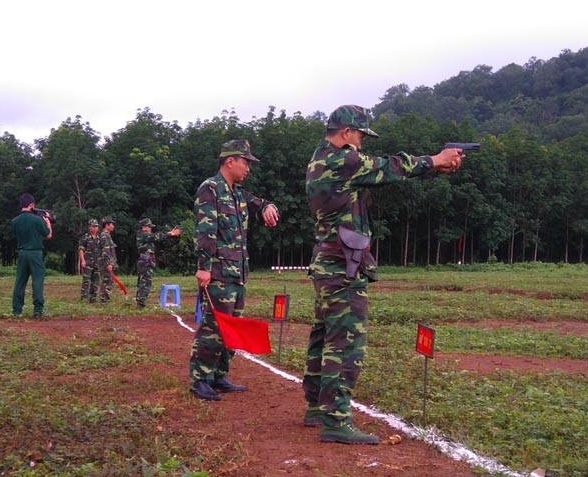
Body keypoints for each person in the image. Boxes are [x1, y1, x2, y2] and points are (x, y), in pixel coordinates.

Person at [303, 105, 464, 444]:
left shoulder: (321, 159)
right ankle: (335, 420)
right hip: (342, 265)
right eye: (360, 136)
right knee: (345, 343)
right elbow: (389, 168)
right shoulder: (341, 160)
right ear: (346, 133)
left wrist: (435, 167)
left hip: (329, 263)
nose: (361, 144)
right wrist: (435, 159)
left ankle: (318, 408)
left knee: (324, 335)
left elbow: (377, 177)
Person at [188, 140, 280, 401]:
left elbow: (258, 202)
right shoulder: (211, 189)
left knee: (233, 326)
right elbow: (205, 231)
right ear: (230, 161)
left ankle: (218, 375)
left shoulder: (237, 192)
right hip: (217, 272)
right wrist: (204, 267)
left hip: (238, 272)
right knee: (213, 326)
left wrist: (268, 206)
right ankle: (200, 379)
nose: (248, 168)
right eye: (245, 162)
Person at [11, 193, 53, 318]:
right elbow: (48, 234)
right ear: (31, 205)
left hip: (22, 253)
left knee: (20, 281)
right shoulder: (37, 220)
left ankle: (17, 310)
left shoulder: (15, 221)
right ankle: (38, 310)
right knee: (37, 281)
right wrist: (48, 222)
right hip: (35, 253)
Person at [135, 218, 182, 308]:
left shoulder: (144, 235)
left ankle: (141, 302)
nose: (150, 229)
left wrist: (169, 233)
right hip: (145, 262)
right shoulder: (143, 235)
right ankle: (140, 304)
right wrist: (170, 233)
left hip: (146, 262)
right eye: (149, 227)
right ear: (144, 227)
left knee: (144, 282)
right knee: (145, 283)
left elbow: (156, 236)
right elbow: (156, 236)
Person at [78, 218, 102, 302]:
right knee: (86, 281)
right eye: (93, 226)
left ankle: (93, 298)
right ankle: (84, 298)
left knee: (95, 281)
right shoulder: (85, 237)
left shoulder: (100, 238)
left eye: (96, 226)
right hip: (88, 262)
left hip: (97, 263)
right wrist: (83, 260)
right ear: (89, 227)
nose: (95, 228)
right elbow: (81, 249)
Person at [98, 217, 118, 303]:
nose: (113, 226)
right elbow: (105, 251)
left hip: (108, 262)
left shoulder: (107, 235)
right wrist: (109, 263)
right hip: (105, 263)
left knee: (109, 281)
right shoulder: (104, 236)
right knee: (106, 280)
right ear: (106, 225)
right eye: (112, 224)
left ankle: (106, 298)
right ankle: (103, 300)